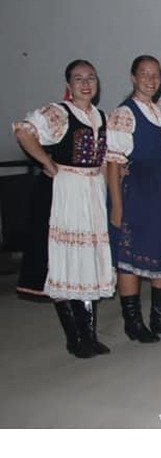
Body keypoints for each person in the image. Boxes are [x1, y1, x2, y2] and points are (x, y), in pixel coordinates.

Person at [13, 60, 115, 358]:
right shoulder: (59, 112)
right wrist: (45, 161)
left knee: (89, 261)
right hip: (67, 192)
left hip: (92, 190)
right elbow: (23, 131)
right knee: (66, 259)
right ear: (68, 85)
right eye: (78, 78)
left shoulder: (100, 116)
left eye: (91, 78)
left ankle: (90, 334)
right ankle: (75, 338)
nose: (85, 83)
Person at [107, 55, 161, 342]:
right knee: (131, 257)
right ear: (133, 77)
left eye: (156, 75)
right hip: (137, 188)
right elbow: (113, 163)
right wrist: (117, 206)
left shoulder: (160, 111)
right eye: (144, 74)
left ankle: (159, 318)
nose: (151, 79)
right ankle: (133, 322)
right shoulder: (125, 113)